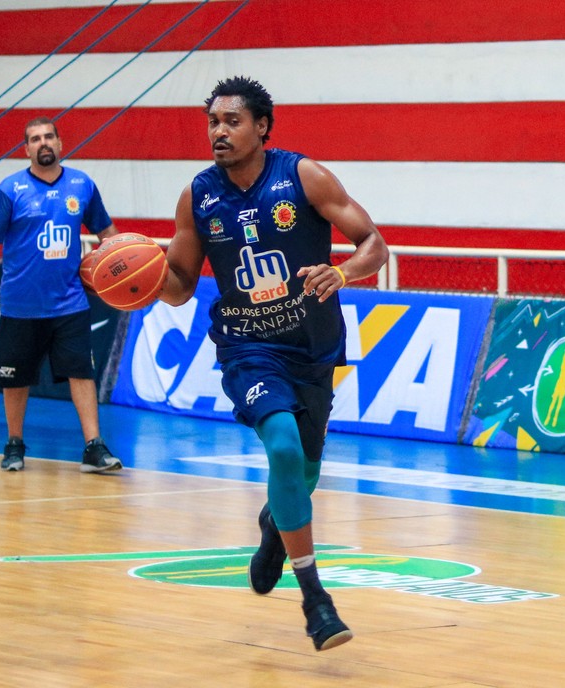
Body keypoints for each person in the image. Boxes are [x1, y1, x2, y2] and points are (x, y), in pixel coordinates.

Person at [158, 76, 389, 651]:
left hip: (311, 348)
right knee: (283, 448)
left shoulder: (304, 176)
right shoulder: (197, 195)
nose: (219, 131)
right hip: (247, 345)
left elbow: (374, 245)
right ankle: (316, 601)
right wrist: (136, 281)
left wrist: (341, 272)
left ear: (262, 127)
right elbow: (180, 284)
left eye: (231, 121)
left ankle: (273, 530)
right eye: (213, 121)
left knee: (302, 477)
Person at [0, 116, 122, 474]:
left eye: (49, 136)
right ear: (26, 148)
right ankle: (14, 444)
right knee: (16, 378)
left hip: (70, 302)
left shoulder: (82, 184)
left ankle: (94, 448)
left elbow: (105, 231)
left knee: (81, 372)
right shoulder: (10, 188)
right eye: (35, 139)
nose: (43, 143)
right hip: (21, 305)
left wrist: (123, 263)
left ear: (60, 143)